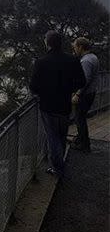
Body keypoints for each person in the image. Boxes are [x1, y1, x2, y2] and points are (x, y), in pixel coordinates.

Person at [29, 31, 86, 176]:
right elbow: (82, 82)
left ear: (47, 43)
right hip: (65, 105)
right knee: (61, 135)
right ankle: (59, 163)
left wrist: (44, 91)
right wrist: (68, 90)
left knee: (52, 136)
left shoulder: (41, 62)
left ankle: (57, 168)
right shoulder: (72, 60)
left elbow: (33, 86)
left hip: (47, 106)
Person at [71, 37, 99, 153]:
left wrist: (77, 94)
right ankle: (81, 140)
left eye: (75, 47)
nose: (74, 49)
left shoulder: (86, 61)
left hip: (84, 95)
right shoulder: (93, 57)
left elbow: (85, 80)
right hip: (91, 92)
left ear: (81, 47)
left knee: (79, 119)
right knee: (80, 118)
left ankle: (84, 145)